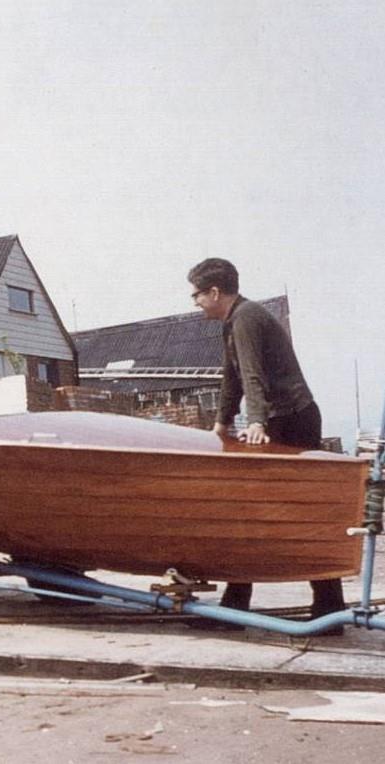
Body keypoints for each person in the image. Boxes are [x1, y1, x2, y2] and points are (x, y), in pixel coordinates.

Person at [187, 257, 344, 634]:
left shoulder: (246, 318)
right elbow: (232, 377)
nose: (193, 302)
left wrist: (256, 421)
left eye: (196, 295)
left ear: (214, 292)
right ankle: (243, 605)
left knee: (273, 512)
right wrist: (221, 423)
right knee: (253, 511)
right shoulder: (234, 322)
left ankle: (323, 607)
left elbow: (253, 374)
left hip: (290, 419)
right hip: (282, 417)